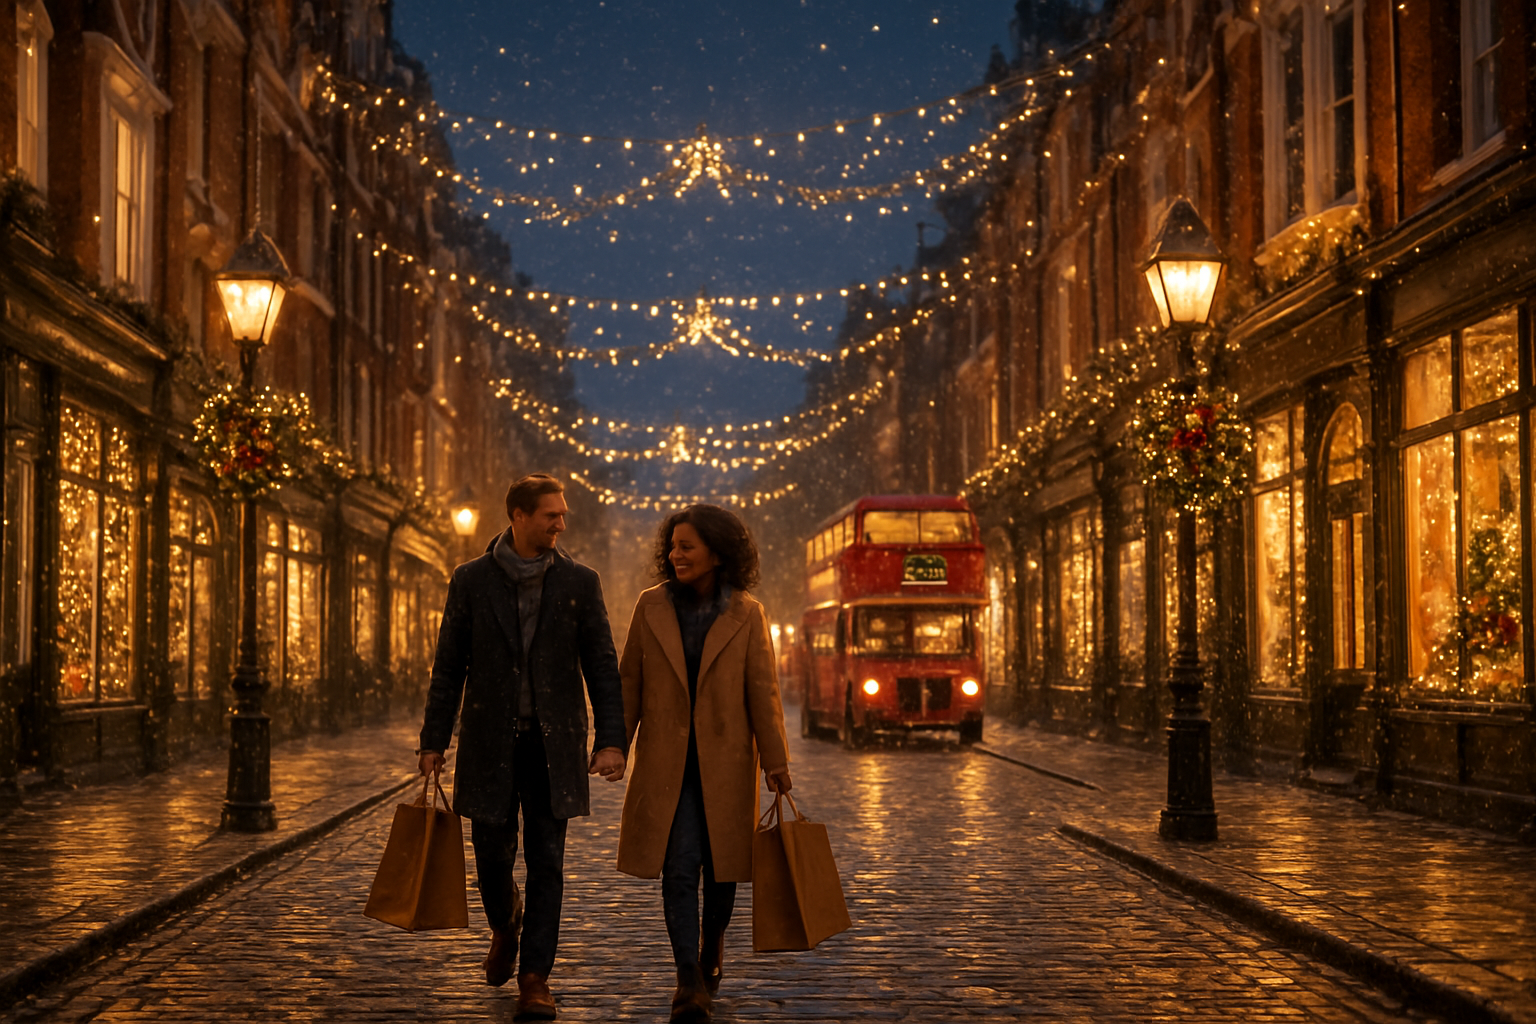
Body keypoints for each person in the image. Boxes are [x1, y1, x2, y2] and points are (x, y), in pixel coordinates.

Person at [418, 473, 627, 1021]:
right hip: (489, 740)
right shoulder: (471, 581)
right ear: (518, 515)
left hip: (552, 745)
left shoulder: (580, 582)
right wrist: (433, 740)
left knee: (547, 861)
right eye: (550, 514)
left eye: (563, 514)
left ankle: (536, 976)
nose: (561, 523)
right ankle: (505, 922)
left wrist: (611, 740)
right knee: (490, 857)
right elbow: (450, 666)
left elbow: (602, 664)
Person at [615, 504, 791, 1024]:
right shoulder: (650, 607)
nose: (675, 555)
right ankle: (687, 979)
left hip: (726, 764)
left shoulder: (747, 612)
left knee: (720, 872)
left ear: (717, 552)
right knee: (677, 866)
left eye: (687, 546)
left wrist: (776, 762)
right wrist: (615, 745)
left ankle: (713, 938)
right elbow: (630, 683)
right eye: (672, 546)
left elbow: (764, 692)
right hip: (667, 764)